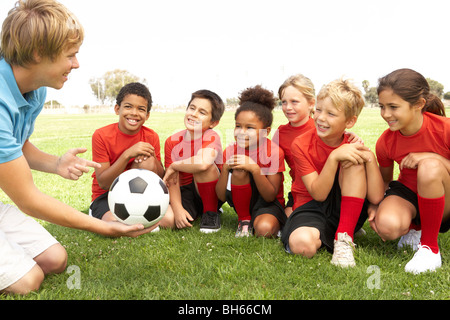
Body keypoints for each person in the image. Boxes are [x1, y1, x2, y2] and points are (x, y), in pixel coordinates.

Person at [0, 0, 153, 295]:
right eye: (70, 55)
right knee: (28, 281)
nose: (76, 64)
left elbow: (16, 145)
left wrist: (55, 164)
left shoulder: (34, 89)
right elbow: (28, 199)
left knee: (55, 259)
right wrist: (103, 226)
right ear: (37, 54)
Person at [281, 78, 384, 267]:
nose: (321, 118)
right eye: (319, 110)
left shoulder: (352, 145)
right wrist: (333, 157)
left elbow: (376, 197)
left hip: (343, 204)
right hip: (311, 206)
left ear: (350, 121)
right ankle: (333, 231)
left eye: (331, 114)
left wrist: (370, 157)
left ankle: (344, 238)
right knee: (302, 245)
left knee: (352, 161)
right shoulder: (301, 144)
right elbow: (318, 194)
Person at [369, 68, 449, 274]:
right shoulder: (385, 142)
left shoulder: (445, 129)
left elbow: (434, 166)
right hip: (410, 195)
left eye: (393, 107)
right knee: (387, 226)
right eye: (382, 106)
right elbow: (385, 182)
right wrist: (375, 206)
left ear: (419, 104)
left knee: (430, 167)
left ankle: (430, 248)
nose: (386, 114)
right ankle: (417, 229)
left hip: (445, 196)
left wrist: (436, 158)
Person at [90, 82, 173, 227]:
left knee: (170, 220)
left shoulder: (151, 136)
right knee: (114, 224)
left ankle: (138, 216)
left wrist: (153, 160)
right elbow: (103, 183)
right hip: (107, 195)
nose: (134, 113)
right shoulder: (101, 135)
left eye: (141, 109)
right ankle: (99, 212)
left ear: (147, 115)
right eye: (128, 106)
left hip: (144, 196)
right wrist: (127, 154)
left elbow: (160, 177)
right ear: (117, 109)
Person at [216, 85, 286, 238]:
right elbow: (221, 196)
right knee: (239, 168)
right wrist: (226, 168)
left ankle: (273, 222)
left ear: (265, 132)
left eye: (250, 128)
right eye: (238, 126)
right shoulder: (230, 151)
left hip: (268, 204)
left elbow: (270, 196)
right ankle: (244, 221)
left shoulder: (273, 151)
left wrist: (255, 169)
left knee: (264, 230)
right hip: (242, 201)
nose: (241, 132)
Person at [163, 89, 225, 233]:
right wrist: (177, 209)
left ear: (213, 122)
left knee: (203, 167)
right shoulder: (172, 142)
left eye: (202, 112)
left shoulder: (211, 136)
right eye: (192, 108)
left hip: (211, 188)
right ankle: (195, 211)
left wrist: (175, 165)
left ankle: (210, 212)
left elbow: (203, 163)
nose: (194, 114)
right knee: (167, 220)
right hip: (185, 192)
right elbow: (172, 180)